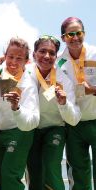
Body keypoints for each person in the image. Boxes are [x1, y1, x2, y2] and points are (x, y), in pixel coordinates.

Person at [26, 35, 81, 190]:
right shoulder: (25, 72)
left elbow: (74, 119)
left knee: (51, 165)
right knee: (34, 172)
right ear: (34, 54)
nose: (47, 56)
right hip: (32, 129)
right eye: (42, 51)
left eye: (52, 53)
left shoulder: (64, 80)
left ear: (56, 57)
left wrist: (64, 104)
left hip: (55, 128)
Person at [0, 37, 39, 190]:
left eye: (19, 58)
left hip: (20, 132)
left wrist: (17, 107)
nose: (14, 62)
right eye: (10, 57)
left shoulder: (28, 82)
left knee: (10, 176)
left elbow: (33, 120)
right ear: (5, 56)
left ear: (26, 61)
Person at [57, 17, 96, 190]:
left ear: (84, 34)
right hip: (73, 125)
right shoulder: (58, 61)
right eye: (70, 34)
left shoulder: (95, 53)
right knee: (79, 173)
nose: (75, 37)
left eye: (78, 33)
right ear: (63, 37)